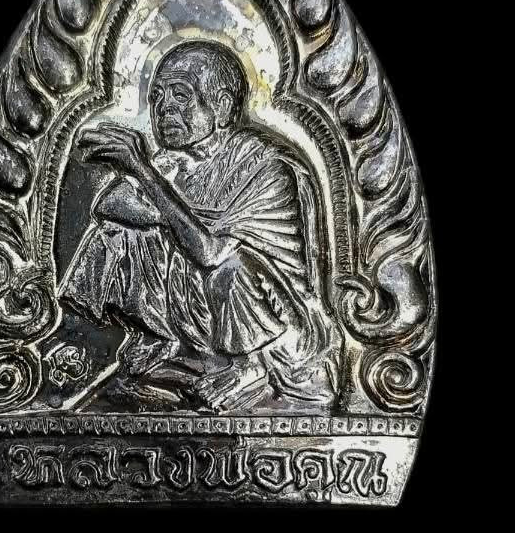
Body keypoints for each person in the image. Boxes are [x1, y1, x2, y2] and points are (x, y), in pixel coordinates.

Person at [59, 40, 342, 410]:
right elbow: (108, 205)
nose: (164, 108)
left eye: (180, 95)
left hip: (274, 325)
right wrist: (165, 212)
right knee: (114, 236)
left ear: (221, 107)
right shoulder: (173, 162)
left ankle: (246, 368)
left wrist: (144, 173)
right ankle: (157, 338)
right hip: (200, 311)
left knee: (230, 266)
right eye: (157, 97)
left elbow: (210, 253)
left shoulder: (263, 164)